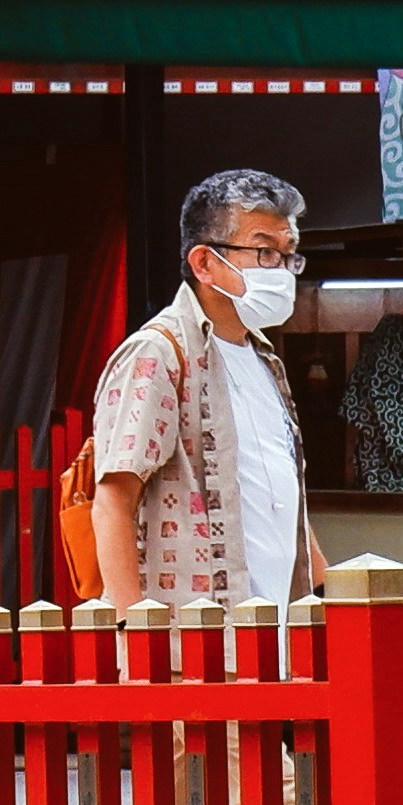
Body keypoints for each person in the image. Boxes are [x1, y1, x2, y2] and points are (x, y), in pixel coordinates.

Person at [88, 166, 315, 606]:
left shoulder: (266, 360)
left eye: (290, 255)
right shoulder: (160, 353)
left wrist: (323, 595)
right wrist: (136, 634)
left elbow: (280, 497)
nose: (283, 271)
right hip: (192, 645)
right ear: (205, 262)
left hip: (275, 637)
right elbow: (112, 503)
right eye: (265, 252)